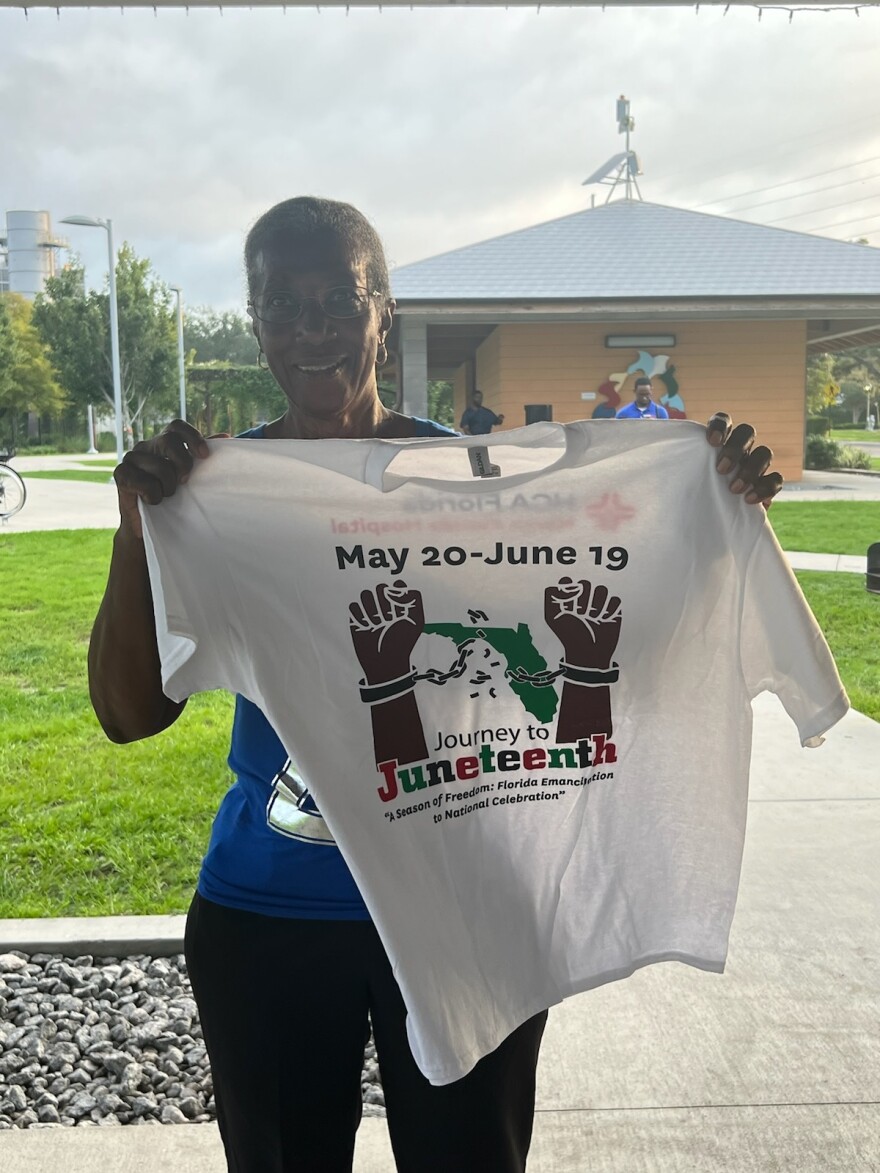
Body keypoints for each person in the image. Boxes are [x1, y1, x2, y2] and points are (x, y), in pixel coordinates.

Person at [88, 195, 784, 1173]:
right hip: (274, 908)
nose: (314, 328)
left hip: (468, 895)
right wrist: (138, 529)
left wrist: (709, 516)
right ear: (253, 323)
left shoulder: (472, 485)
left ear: (385, 313)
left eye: (341, 299)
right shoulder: (219, 490)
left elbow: (627, 649)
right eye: (283, 305)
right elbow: (127, 714)